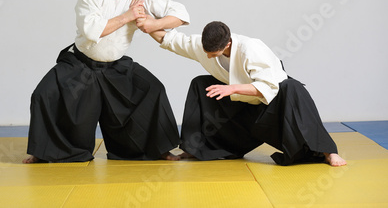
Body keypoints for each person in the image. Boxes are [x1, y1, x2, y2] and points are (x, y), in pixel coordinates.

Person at [23, 0, 190, 163]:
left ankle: (159, 150)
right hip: (80, 64)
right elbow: (93, 29)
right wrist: (129, 15)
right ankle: (43, 153)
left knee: (153, 89)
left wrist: (152, 24)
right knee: (44, 94)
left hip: (115, 67)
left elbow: (181, 14)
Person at [147, 21, 346, 166]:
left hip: (274, 105)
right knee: (201, 84)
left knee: (293, 89)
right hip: (243, 106)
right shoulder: (205, 46)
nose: (207, 55)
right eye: (206, 50)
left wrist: (231, 88)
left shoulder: (251, 48)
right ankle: (196, 149)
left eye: (212, 52)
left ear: (226, 44)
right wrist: (145, 25)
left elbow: (269, 86)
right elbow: (172, 40)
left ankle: (327, 152)